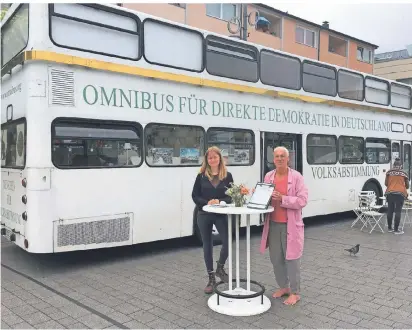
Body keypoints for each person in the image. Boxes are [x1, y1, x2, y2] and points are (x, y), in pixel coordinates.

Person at [259, 146, 308, 306]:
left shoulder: (297, 177)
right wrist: (257, 196)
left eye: (282, 156)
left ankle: (295, 292)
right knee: (276, 259)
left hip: (290, 225)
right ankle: (284, 287)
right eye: (277, 156)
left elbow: (302, 200)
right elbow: (264, 196)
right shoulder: (269, 176)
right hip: (273, 224)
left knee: (291, 259)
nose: (279, 159)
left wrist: (284, 198)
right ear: (273, 159)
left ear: (288, 159)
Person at [192, 146, 234, 294]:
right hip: (203, 214)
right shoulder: (201, 176)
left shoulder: (227, 176)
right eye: (210, 158)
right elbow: (195, 196)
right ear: (207, 160)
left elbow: (231, 196)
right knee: (207, 245)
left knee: (228, 242)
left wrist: (220, 201)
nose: (213, 160)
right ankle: (211, 278)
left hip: (221, 215)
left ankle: (220, 268)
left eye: (215, 157)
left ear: (219, 159)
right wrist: (206, 202)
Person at [385, 158, 409, 234]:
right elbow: (407, 186)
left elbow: (386, 183)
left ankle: (389, 228)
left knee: (390, 210)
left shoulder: (389, 172)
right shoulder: (404, 173)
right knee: (398, 211)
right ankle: (396, 230)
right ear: (401, 165)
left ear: (393, 165)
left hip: (390, 193)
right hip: (400, 194)